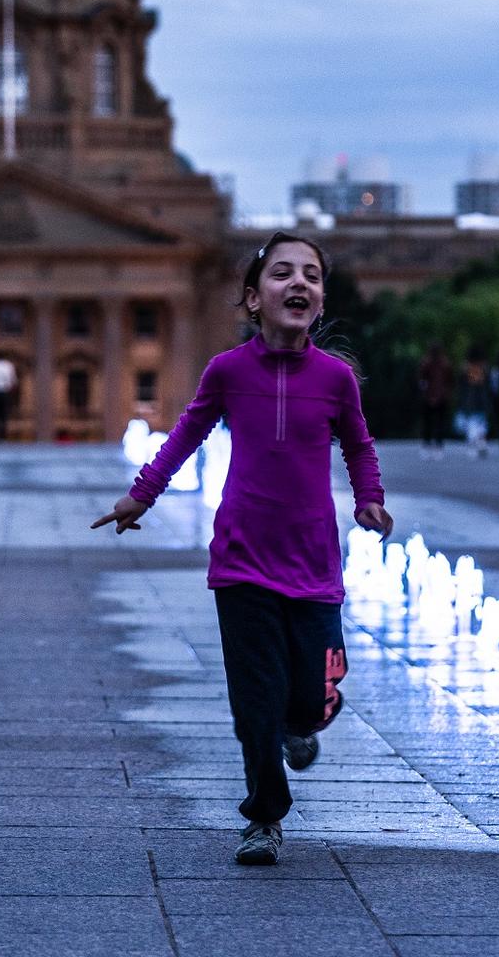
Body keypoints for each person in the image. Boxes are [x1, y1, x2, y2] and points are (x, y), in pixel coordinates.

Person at [92, 232, 393, 867]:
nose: (299, 283)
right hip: (242, 558)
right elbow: (185, 435)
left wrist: (369, 498)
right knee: (255, 696)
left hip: (313, 561)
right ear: (254, 299)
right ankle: (264, 818)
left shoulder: (336, 379)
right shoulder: (228, 371)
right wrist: (140, 496)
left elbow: (359, 445)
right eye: (283, 273)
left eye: (311, 275)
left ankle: (297, 725)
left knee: (310, 698)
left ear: (320, 298)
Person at [415, 341, 454, 459]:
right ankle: (438, 446)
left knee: (428, 422)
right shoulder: (445, 363)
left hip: (429, 396)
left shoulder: (426, 362)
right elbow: (450, 381)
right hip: (441, 396)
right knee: (439, 422)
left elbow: (422, 380)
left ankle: (427, 445)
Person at [457, 346, 491, 459]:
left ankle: (472, 446)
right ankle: (481, 443)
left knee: (471, 424)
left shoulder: (465, 368)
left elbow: (461, 386)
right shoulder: (484, 368)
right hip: (482, 399)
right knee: (481, 423)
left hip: (469, 400)